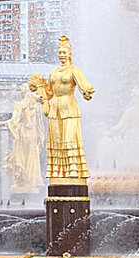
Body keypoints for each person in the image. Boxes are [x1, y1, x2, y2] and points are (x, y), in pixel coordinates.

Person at [35, 35, 95, 181]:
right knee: (56, 138)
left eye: (64, 52)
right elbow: (49, 92)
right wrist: (40, 94)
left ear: (69, 54)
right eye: (59, 52)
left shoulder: (75, 71)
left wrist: (87, 93)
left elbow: (83, 86)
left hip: (69, 106)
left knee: (69, 137)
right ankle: (56, 169)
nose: (61, 55)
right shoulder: (53, 72)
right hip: (55, 108)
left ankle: (73, 167)